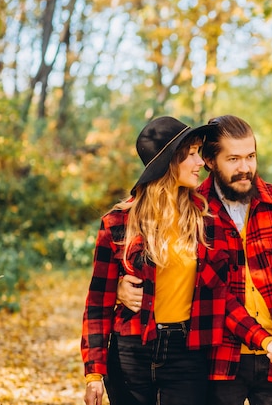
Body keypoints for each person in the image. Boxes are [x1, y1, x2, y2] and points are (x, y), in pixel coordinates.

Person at [118, 114, 272, 405]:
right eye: (234, 159)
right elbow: (169, 266)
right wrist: (119, 286)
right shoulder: (194, 212)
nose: (245, 168)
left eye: (251, 156)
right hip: (219, 360)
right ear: (210, 161)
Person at [81, 116, 229, 405]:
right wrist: (94, 374)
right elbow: (97, 301)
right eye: (190, 155)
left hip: (187, 353)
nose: (200, 162)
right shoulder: (118, 221)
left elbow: (225, 288)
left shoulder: (207, 220)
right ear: (169, 164)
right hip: (130, 351)